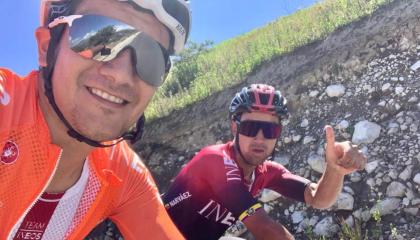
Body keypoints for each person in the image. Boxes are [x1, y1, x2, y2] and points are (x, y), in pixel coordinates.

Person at [0, 0, 191, 239]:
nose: (121, 75)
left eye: (150, 58)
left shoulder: (122, 174)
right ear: (46, 47)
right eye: (99, 37)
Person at [163, 84, 367, 240]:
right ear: (235, 129)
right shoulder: (214, 160)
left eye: (270, 131)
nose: (260, 139)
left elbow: (318, 198)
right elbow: (265, 229)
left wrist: (335, 169)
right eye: (251, 128)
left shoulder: (267, 172)